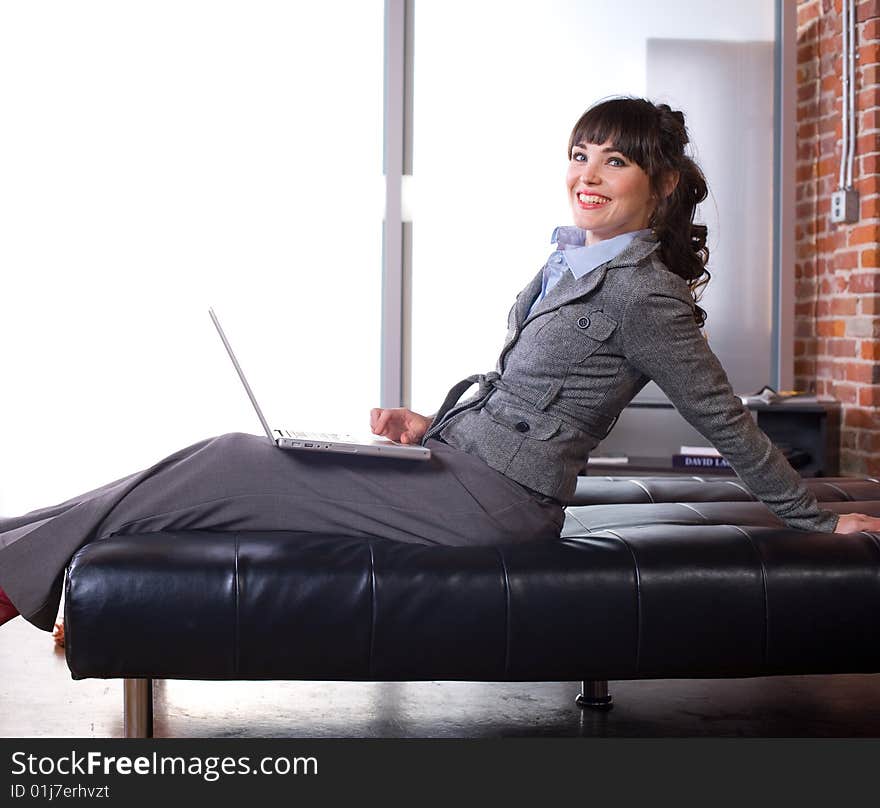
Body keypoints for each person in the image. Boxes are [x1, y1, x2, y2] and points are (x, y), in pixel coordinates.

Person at [2, 96, 879, 635]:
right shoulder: (574, 259)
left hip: (494, 506)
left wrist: (809, 522)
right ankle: (17, 558)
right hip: (458, 466)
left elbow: (720, 416)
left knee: (230, 458)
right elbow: (526, 392)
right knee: (224, 463)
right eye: (580, 153)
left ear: (664, 182)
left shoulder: (645, 294)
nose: (589, 172)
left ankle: (9, 582)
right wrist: (429, 426)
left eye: (616, 159)